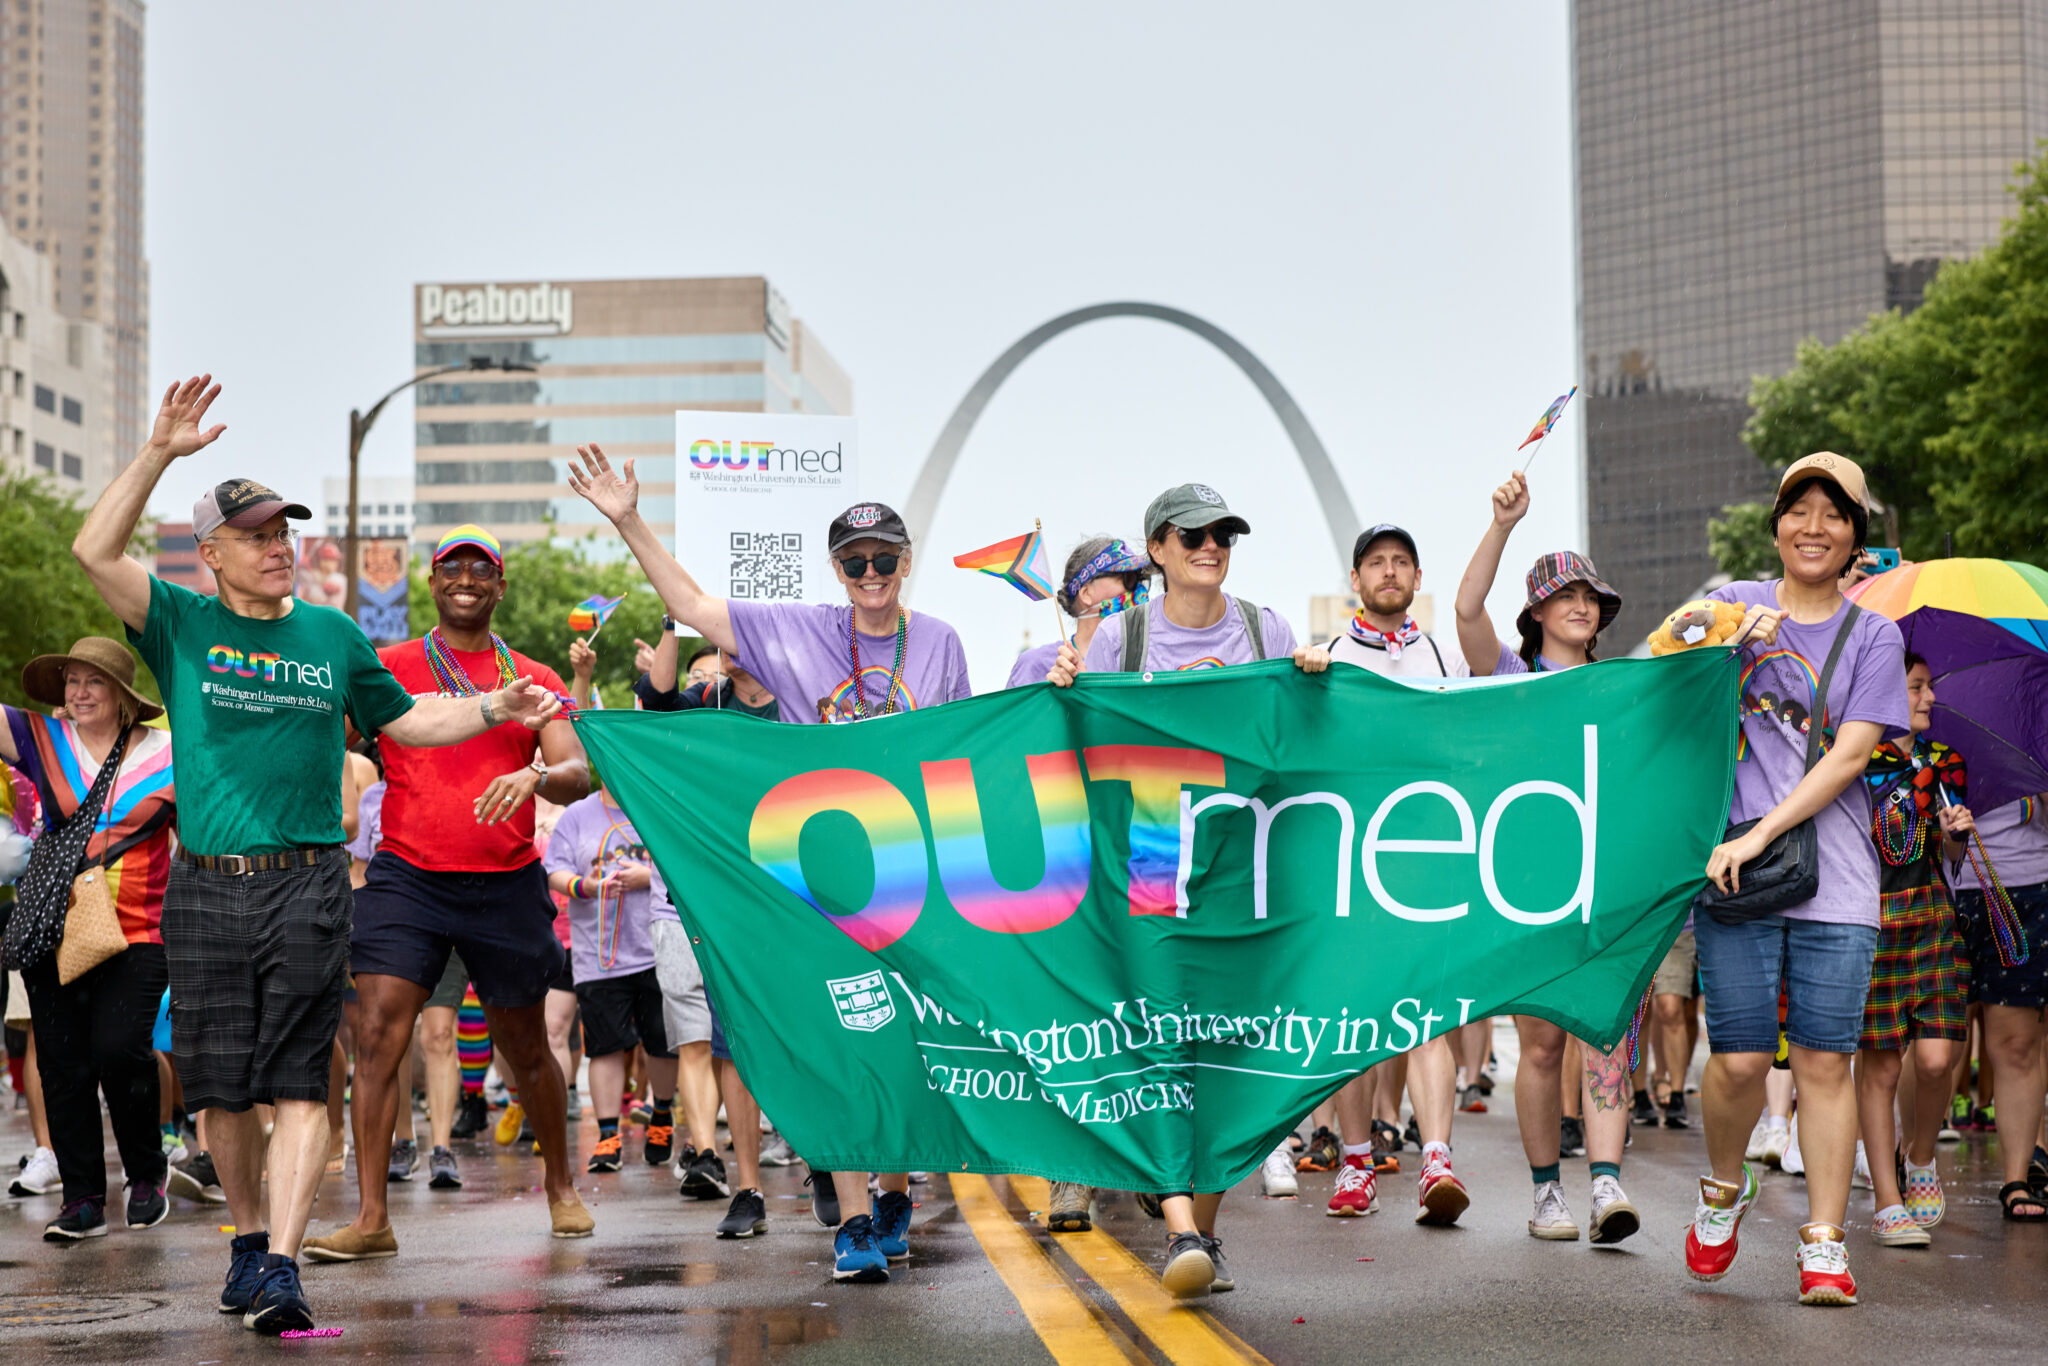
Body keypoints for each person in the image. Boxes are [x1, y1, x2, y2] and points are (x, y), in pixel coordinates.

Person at [69, 376, 563, 1335]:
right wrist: (161, 453)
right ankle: (250, 1242)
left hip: (307, 882)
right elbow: (93, 548)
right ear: (210, 553)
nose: (277, 547)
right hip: (205, 888)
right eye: (256, 536)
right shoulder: (180, 622)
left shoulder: (333, 634)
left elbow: (412, 720)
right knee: (219, 1092)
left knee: (301, 1082)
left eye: (283, 533)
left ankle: (285, 1262)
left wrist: (495, 707)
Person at [567, 443, 971, 1284]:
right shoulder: (794, 629)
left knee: (904, 1046)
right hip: (816, 880)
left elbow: (963, 756)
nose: (870, 571)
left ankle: (893, 1189)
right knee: (838, 1043)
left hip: (913, 882)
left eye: (884, 558)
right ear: (836, 567)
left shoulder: (939, 644)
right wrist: (630, 519)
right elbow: (687, 602)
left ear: (906, 562)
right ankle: (855, 1219)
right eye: (855, 560)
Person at [1047, 481, 1319, 1299]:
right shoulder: (1120, 639)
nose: (1211, 547)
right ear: (1157, 551)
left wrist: (1315, 681)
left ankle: (1205, 1228)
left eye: (1223, 535)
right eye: (1191, 535)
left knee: (1227, 1051)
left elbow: (1301, 742)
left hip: (1246, 860)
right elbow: (1074, 746)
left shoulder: (1266, 630)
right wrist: (1063, 688)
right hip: (1155, 853)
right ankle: (1180, 1231)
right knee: (1164, 1042)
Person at [302, 524, 593, 1266]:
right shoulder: (388, 665)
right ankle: (372, 1217)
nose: (466, 578)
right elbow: (318, 738)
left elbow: (576, 772)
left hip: (504, 881)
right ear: (433, 582)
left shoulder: (532, 677)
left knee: (526, 1050)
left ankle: (561, 1183)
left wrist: (533, 776)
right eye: (452, 567)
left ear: (499, 586)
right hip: (406, 876)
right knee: (376, 1036)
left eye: (481, 569)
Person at [1684, 452, 1908, 1307]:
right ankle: (1720, 1188)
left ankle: (1823, 1242)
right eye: (1798, 511)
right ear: (1776, 525)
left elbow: (1853, 754)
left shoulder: (1875, 635)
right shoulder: (1733, 604)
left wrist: (1769, 827)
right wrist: (1721, 647)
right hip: (1731, 874)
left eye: (1834, 515)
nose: (1814, 527)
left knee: (1824, 1061)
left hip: (1837, 880)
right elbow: (1663, 674)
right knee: (1739, 1064)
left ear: (1854, 536)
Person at [1451, 470, 1641, 1245]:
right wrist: (1501, 525)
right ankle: (1545, 1195)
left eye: (1590, 597)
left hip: (1613, 887)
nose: (1579, 606)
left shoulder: (1630, 687)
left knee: (1607, 1037)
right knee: (1541, 1043)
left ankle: (1605, 1186)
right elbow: (1465, 610)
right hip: (1528, 887)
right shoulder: (1510, 676)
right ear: (1537, 611)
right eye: (1565, 595)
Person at [1314, 522, 1474, 1226]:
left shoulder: (1441, 651)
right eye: (1375, 563)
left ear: (1416, 579)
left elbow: (1475, 735)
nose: (1388, 572)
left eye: (1401, 563)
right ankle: (1354, 1164)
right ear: (1356, 579)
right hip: (1351, 859)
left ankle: (1435, 1157)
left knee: (1427, 1018)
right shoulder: (1326, 656)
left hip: (1426, 857)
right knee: (1352, 1022)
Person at [2, 637, 176, 1241]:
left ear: (124, 699)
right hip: (57, 925)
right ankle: (82, 1199)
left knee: (119, 1047)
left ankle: (147, 1175)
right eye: (71, 681)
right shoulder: (45, 740)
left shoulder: (172, 757)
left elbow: (204, 831)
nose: (78, 692)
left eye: (92, 682)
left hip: (140, 929)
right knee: (62, 1062)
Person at [1003, 536, 1151, 1231]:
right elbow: (1002, 754)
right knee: (1075, 1020)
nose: (1130, 592)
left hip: (1147, 851)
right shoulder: (1037, 660)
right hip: (1065, 861)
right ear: (1077, 594)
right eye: (1115, 582)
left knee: (1150, 1011)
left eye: (1137, 582)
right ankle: (1072, 1176)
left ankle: (1156, 1162)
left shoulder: (1156, 645)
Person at [1854, 653, 1974, 1244]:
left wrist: (1955, 837)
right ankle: (1886, 1198)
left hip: (1930, 917)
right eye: (1917, 687)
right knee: (1877, 1066)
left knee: (1935, 1059)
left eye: (1929, 687)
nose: (1929, 698)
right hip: (1869, 919)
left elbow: (1949, 862)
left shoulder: (1945, 764)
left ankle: (1920, 1156)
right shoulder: (1852, 761)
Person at [543, 781, 679, 1176]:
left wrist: (648, 877)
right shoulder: (576, 815)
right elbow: (554, 871)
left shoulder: (656, 802)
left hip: (655, 947)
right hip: (597, 955)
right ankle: (608, 1137)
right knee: (603, 1046)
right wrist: (586, 886)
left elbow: (686, 863)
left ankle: (662, 1117)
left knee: (661, 1043)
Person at [1948, 786, 2048, 1220]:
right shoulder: (1928, 720)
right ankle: (1913, 1161)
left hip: (2025, 887)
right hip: (1941, 888)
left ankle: (2017, 1179)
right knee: (1935, 1048)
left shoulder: (2032, 727)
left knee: (2017, 1046)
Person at [1006, 537, 1151, 691]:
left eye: (1141, 582)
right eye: (1128, 579)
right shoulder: (1034, 665)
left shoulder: (1146, 663)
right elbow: (1012, 714)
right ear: (1086, 593)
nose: (1139, 591)